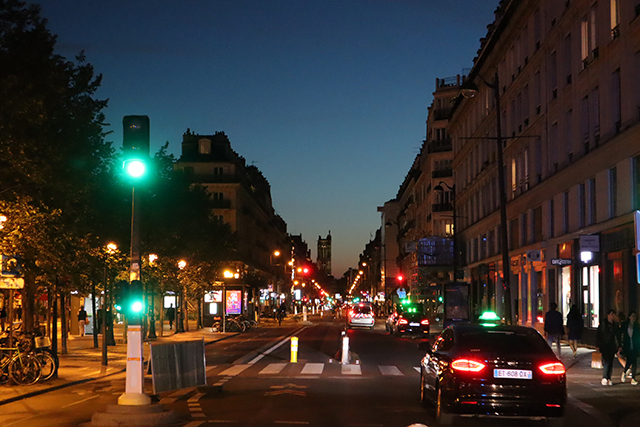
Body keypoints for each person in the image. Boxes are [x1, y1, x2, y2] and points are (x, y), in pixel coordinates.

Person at [596, 309, 622, 386]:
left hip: (612, 345)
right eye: (611, 314)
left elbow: (618, 335)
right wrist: (598, 345)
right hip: (604, 345)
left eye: (613, 314)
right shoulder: (603, 323)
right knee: (606, 361)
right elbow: (599, 334)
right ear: (608, 315)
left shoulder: (615, 325)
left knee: (610, 361)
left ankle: (609, 378)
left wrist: (619, 345)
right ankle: (605, 377)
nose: (612, 316)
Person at [620, 311, 640, 385]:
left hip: (635, 345)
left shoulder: (637, 325)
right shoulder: (625, 325)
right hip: (627, 345)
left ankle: (633, 378)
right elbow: (621, 334)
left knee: (634, 361)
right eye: (632, 316)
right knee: (629, 360)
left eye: (635, 316)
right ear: (629, 317)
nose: (634, 318)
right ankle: (625, 371)